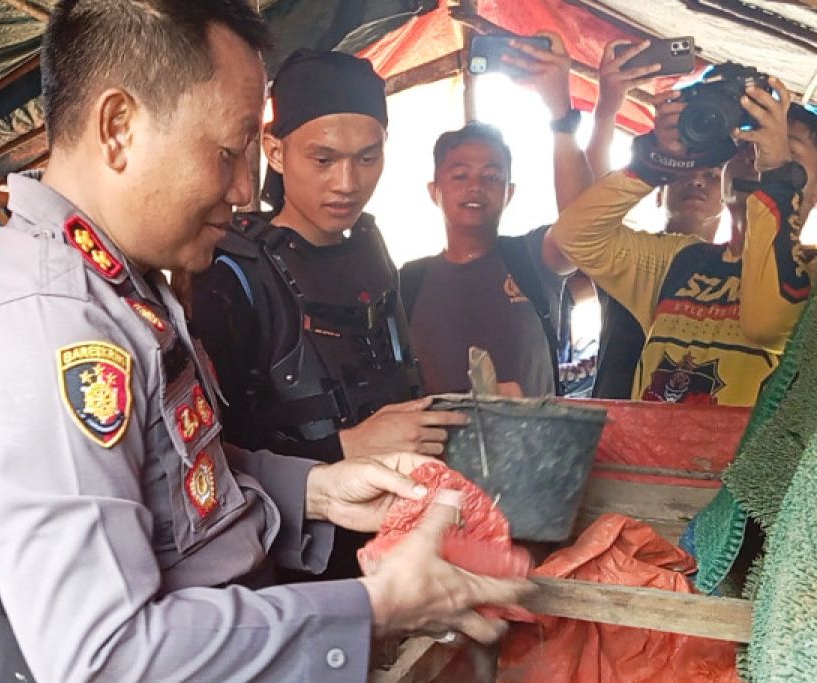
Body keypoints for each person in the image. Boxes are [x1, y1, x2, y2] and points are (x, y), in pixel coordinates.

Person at [0, 3, 530, 683]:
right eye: (230, 151)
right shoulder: (44, 330)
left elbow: (167, 475)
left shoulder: (122, 293)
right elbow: (104, 663)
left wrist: (314, 489)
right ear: (118, 128)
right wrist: (372, 609)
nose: (246, 190)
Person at [189, 49, 467, 581]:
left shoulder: (371, 246)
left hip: (400, 548)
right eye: (324, 159)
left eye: (367, 157)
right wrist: (344, 446)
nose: (347, 182)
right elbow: (208, 459)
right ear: (274, 150)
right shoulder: (232, 274)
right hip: (293, 572)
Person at [551, 74, 817, 405]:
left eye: (783, 147)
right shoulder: (680, 260)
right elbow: (574, 237)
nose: (755, 158)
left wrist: (778, 173)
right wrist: (656, 159)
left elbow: (767, 324)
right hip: (648, 457)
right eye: (746, 143)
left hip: (745, 459)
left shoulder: (810, 274)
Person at [398, 34, 583, 399]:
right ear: (435, 191)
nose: (476, 187)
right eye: (460, 175)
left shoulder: (532, 259)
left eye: (492, 176)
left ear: (509, 192)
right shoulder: (409, 281)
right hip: (432, 456)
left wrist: (561, 118)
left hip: (532, 454)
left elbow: (583, 225)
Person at [584, 40, 725, 399]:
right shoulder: (624, 258)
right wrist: (606, 110)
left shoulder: (735, 275)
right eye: (684, 173)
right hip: (613, 433)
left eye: (712, 177)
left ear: (729, 198)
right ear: (658, 190)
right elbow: (591, 197)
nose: (696, 180)